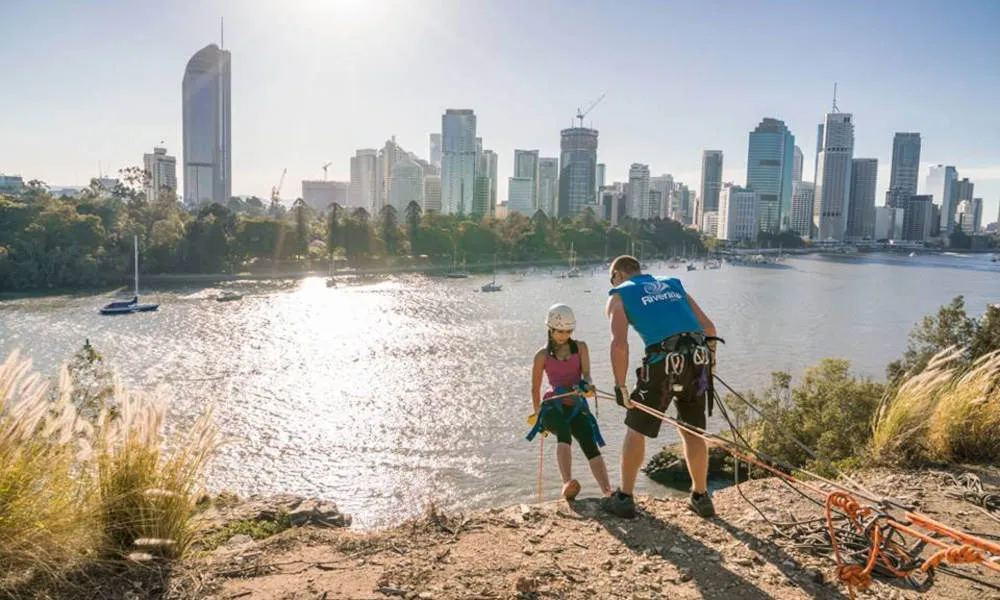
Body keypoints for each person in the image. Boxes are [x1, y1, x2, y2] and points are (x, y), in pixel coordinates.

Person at [602, 255, 720, 519]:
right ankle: (701, 498)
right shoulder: (673, 284)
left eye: (612, 279)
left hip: (662, 363)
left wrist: (620, 386)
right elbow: (709, 327)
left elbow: (619, 344)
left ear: (618, 275)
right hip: (697, 360)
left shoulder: (619, 295)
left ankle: (625, 498)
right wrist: (709, 367)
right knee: (692, 431)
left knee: (636, 428)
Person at [527, 303, 613, 500]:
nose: (564, 335)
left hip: (575, 405)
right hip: (551, 407)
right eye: (560, 331)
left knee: (589, 441)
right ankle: (567, 483)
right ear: (550, 328)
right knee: (563, 432)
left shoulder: (581, 348)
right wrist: (537, 414)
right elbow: (535, 388)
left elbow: (587, 375)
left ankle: (608, 491)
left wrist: (587, 386)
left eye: (568, 331)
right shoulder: (541, 356)